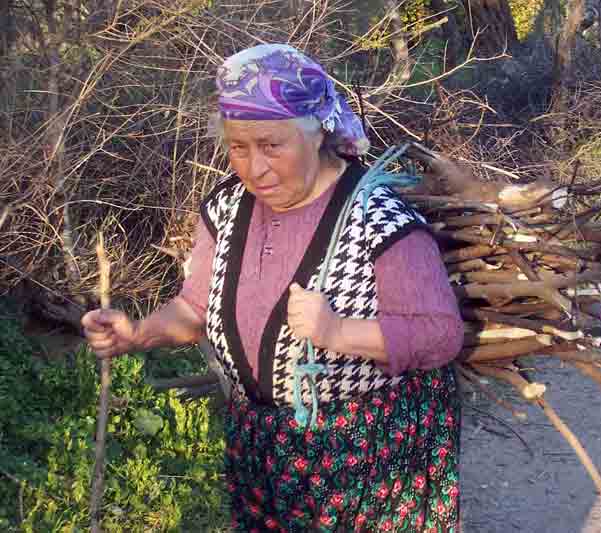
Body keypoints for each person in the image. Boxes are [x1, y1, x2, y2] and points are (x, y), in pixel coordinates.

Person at [82, 43, 465, 532]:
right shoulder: (226, 208)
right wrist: (136, 334)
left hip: (370, 458)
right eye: (238, 148)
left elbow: (439, 334)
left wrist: (339, 333)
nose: (253, 168)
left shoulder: (380, 219)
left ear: (317, 134)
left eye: (271, 146)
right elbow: (194, 307)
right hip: (263, 453)